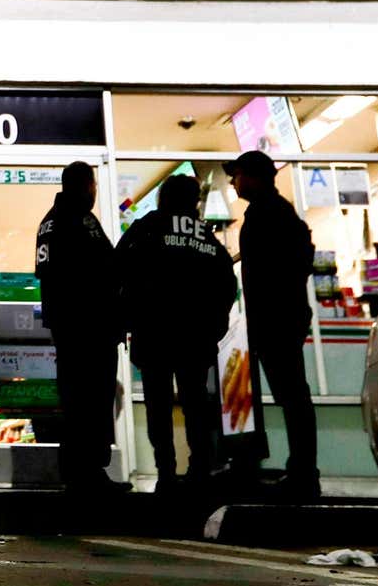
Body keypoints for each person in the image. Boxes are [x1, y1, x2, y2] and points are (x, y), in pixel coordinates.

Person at [115, 174, 237, 494]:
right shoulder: (207, 238)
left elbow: (118, 270)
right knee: (196, 403)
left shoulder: (146, 229)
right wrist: (216, 323)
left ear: (163, 198)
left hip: (153, 333)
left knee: (158, 405)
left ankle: (166, 472)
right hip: (195, 337)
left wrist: (126, 317)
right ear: (193, 202)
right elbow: (227, 283)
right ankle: (199, 470)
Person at [225, 149, 320, 500]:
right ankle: (301, 470)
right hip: (278, 318)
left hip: (277, 319)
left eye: (236, 175)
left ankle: (303, 473)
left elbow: (284, 268)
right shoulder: (276, 213)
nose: (233, 182)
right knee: (292, 396)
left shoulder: (271, 214)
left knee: (293, 396)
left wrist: (270, 308)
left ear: (252, 176)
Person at [35, 161, 130, 495]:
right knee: (90, 399)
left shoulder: (51, 220)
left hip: (71, 325)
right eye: (93, 185)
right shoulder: (76, 220)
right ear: (87, 185)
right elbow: (99, 272)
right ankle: (88, 472)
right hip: (88, 327)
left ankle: (79, 471)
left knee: (77, 399)